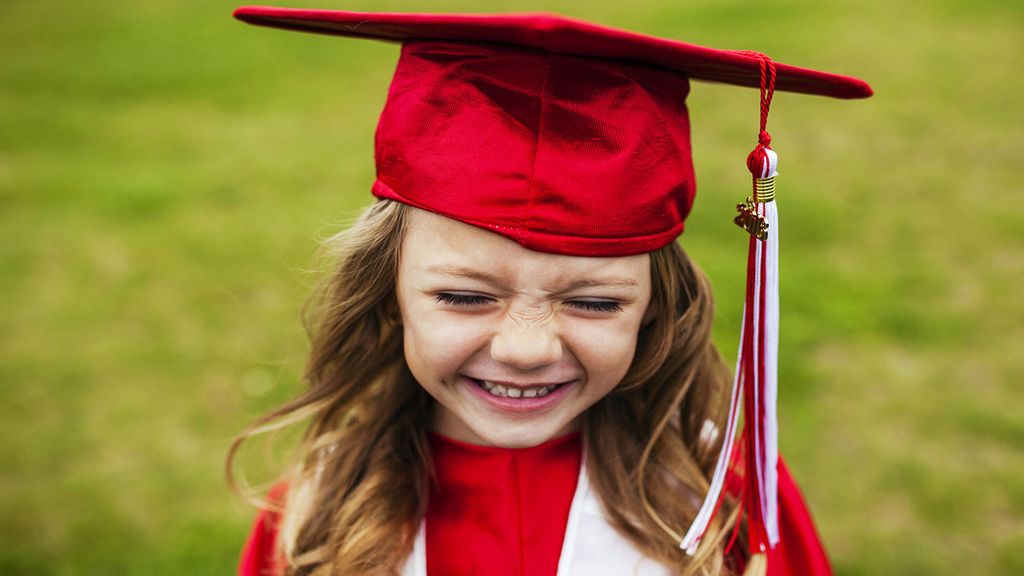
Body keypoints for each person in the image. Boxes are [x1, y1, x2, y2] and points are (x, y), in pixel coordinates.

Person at [226, 7, 872, 576]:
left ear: (656, 310)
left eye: (593, 301)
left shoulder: (719, 497)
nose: (527, 349)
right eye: (464, 296)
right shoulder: (314, 513)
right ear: (386, 294)